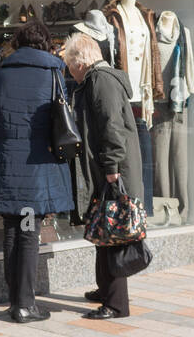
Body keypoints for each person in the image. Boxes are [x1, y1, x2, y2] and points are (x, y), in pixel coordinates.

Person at [0, 20, 75, 323]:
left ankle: (14, 299)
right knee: (29, 231)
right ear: (45, 42)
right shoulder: (53, 72)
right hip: (37, 164)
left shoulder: (2, 73)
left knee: (11, 229)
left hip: (6, 162)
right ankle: (25, 304)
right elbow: (60, 116)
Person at [62, 31, 144, 320]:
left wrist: (111, 169)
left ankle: (117, 304)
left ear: (80, 61)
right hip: (109, 169)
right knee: (104, 232)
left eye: (69, 64)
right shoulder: (100, 79)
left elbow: (111, 128)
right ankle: (105, 289)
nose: (69, 71)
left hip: (113, 171)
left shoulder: (101, 81)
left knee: (114, 234)